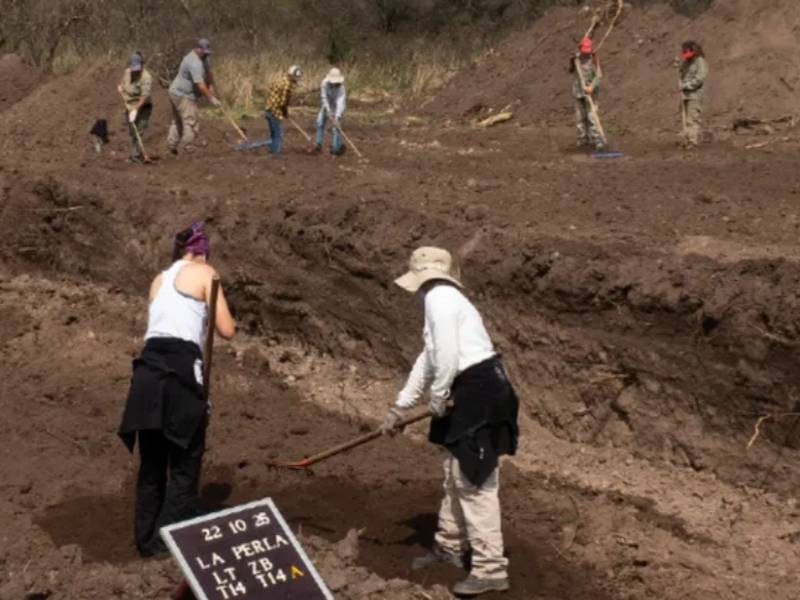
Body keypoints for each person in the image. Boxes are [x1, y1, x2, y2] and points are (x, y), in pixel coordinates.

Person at [380, 247, 519, 597]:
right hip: (471, 387)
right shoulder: (445, 298)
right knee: (454, 472)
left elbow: (447, 356)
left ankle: (490, 569)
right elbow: (429, 356)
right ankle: (449, 545)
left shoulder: (439, 299)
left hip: (478, 390)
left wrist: (438, 395)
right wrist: (401, 406)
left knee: (474, 478)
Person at [117, 221, 235, 558]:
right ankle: (164, 547)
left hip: (146, 373)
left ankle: (145, 540)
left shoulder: (159, 280)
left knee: (152, 464)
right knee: (185, 464)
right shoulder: (205, 273)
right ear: (200, 252)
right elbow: (227, 329)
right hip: (179, 373)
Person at [167, 39, 222, 156]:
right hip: (182, 95)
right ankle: (187, 149)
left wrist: (211, 86)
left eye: (207, 52)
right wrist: (211, 99)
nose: (206, 54)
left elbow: (208, 72)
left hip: (178, 92)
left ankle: (171, 147)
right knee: (190, 121)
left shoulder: (204, 58)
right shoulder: (193, 62)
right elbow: (201, 86)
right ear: (197, 49)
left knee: (178, 121)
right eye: (203, 51)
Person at [569, 37, 606, 151]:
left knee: (592, 116)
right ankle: (583, 139)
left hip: (591, 93)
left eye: (588, 51)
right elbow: (570, 70)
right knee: (580, 117)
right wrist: (572, 62)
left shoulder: (593, 59)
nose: (586, 53)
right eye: (584, 51)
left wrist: (591, 86)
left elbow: (599, 76)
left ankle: (597, 140)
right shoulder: (576, 59)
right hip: (578, 91)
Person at [118, 52, 153, 163]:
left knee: (139, 130)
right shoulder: (127, 72)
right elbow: (123, 83)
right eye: (133, 69)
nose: (135, 72)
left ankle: (136, 156)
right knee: (132, 131)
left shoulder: (146, 78)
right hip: (129, 105)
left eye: (137, 69)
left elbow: (144, 96)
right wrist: (121, 88)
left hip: (143, 106)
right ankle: (133, 155)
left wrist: (136, 110)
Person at [263, 65, 302, 156]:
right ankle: (276, 154)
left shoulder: (281, 79)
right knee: (278, 134)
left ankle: (272, 150)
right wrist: (285, 111)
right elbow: (283, 102)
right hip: (275, 111)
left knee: (273, 133)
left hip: (268, 109)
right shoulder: (287, 85)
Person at [679, 41, 708, 149]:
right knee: (685, 119)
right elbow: (682, 75)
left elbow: (700, 78)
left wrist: (687, 85)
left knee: (693, 118)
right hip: (685, 95)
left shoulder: (700, 61)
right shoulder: (686, 62)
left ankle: (692, 141)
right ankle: (686, 140)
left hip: (695, 94)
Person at [313, 67, 347, 156]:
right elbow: (323, 97)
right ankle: (318, 143)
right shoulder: (324, 83)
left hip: (336, 107)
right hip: (327, 105)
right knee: (319, 122)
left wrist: (337, 117)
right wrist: (328, 110)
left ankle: (335, 149)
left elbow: (340, 103)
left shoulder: (341, 89)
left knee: (336, 126)